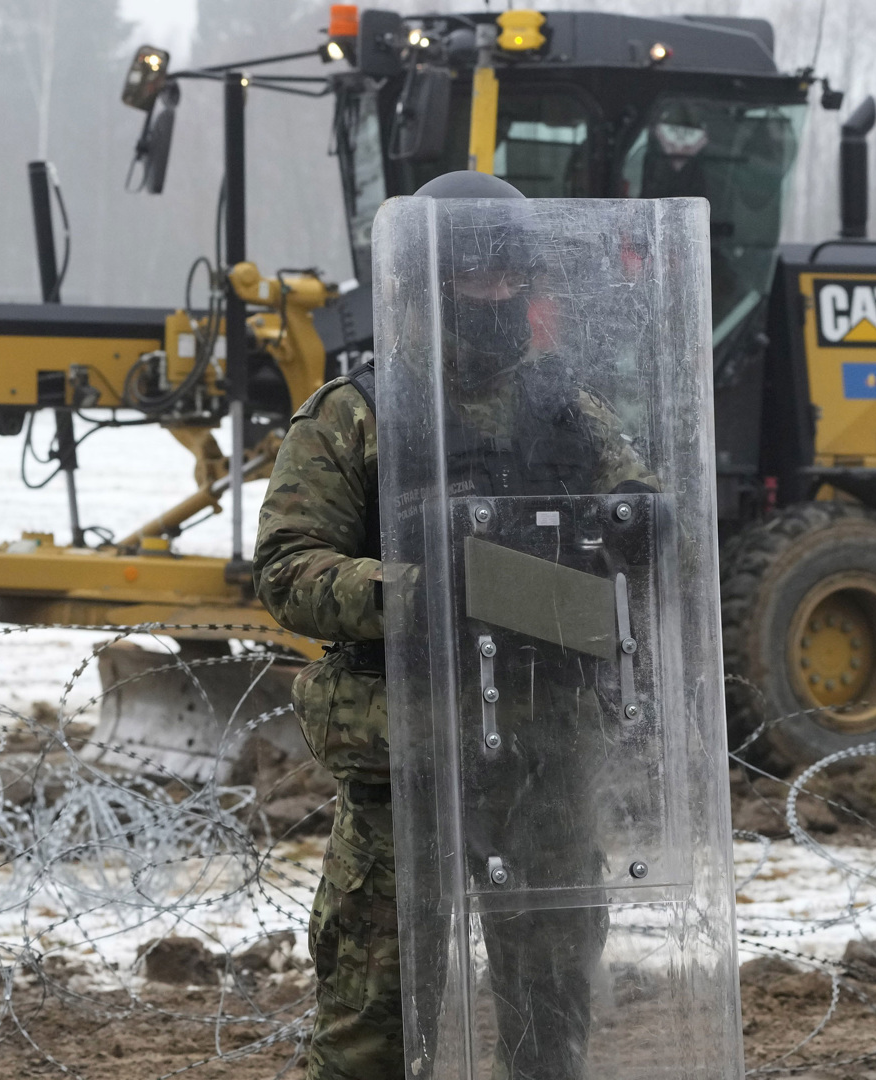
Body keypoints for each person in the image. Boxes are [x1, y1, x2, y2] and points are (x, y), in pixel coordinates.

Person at [254, 171, 654, 1080]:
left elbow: (641, 504)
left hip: (544, 756)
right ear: (426, 283)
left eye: (514, 278)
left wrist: (643, 524)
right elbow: (286, 569)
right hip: (411, 760)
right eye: (478, 278)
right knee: (376, 1024)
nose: (501, 296)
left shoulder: (566, 411)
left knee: (549, 1018)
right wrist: (417, 589)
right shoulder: (357, 417)